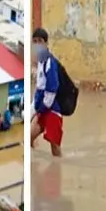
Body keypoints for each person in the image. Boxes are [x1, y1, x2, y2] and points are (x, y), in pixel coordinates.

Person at [31, 28, 63, 157]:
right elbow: (39, 88)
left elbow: (52, 87)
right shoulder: (40, 62)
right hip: (42, 109)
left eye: (40, 41)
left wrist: (42, 107)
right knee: (28, 137)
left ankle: (57, 170)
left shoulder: (50, 62)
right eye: (35, 41)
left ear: (46, 43)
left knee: (54, 147)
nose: (37, 44)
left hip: (52, 110)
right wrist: (34, 109)